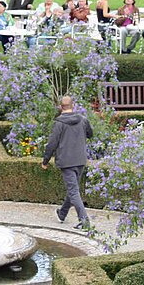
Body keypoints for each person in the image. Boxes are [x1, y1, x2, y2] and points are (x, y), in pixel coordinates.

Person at [42, 96, 93, 230]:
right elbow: (90, 134)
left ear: (60, 107)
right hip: (80, 160)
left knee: (73, 191)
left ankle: (84, 220)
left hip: (66, 162)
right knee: (73, 189)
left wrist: (45, 161)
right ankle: (62, 213)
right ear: (73, 105)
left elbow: (52, 144)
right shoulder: (83, 120)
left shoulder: (59, 124)